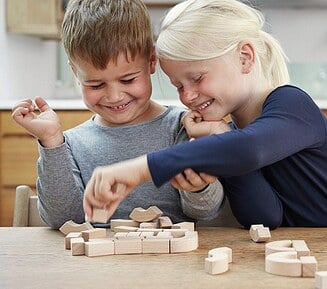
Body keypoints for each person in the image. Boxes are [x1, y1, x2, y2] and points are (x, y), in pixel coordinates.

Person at [83, 0, 327, 228]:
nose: (187, 97)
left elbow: (248, 149)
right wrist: (220, 134)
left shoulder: (293, 104)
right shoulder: (232, 138)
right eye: (178, 86)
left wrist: (139, 169)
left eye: (197, 78)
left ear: (244, 58)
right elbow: (264, 217)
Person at [11, 0, 225, 229]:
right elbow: (62, 220)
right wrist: (52, 142)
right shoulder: (71, 144)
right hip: (98, 263)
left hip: (169, 262)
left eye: (128, 80)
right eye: (95, 85)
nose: (114, 96)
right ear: (76, 74)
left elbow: (206, 211)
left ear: (151, 61)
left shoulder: (182, 127)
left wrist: (197, 187)